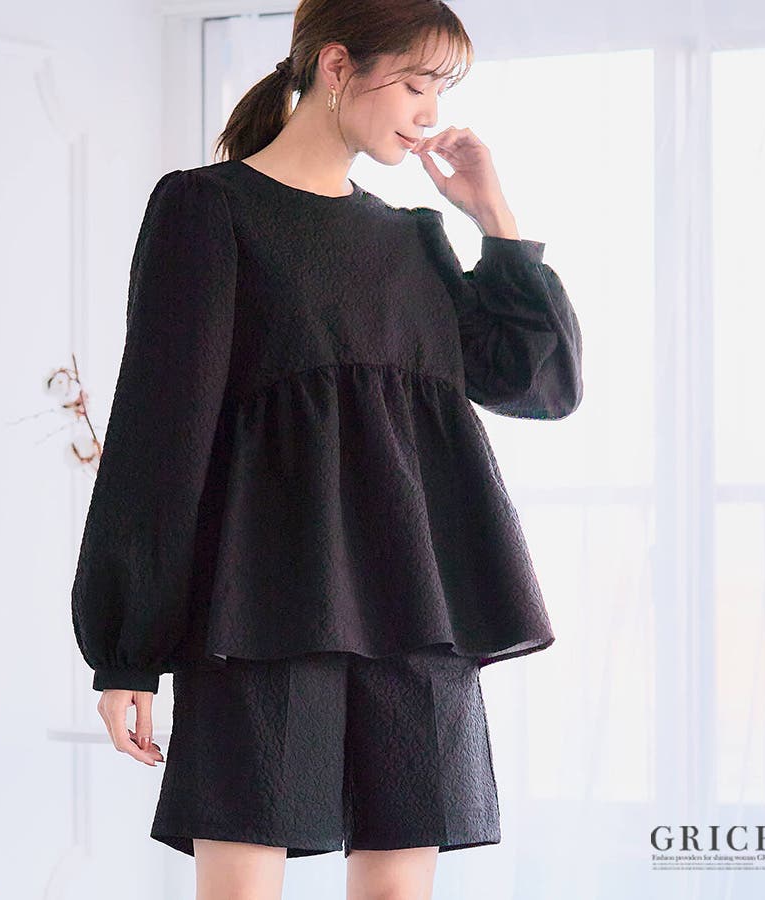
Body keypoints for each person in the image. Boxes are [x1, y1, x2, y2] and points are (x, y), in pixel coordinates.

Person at [71, 1, 583, 897]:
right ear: (339, 66)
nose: (430, 113)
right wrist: (127, 649)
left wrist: (494, 217)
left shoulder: (414, 239)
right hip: (259, 613)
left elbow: (536, 381)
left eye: (440, 90)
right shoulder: (208, 210)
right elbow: (160, 436)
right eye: (416, 84)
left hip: (417, 612)